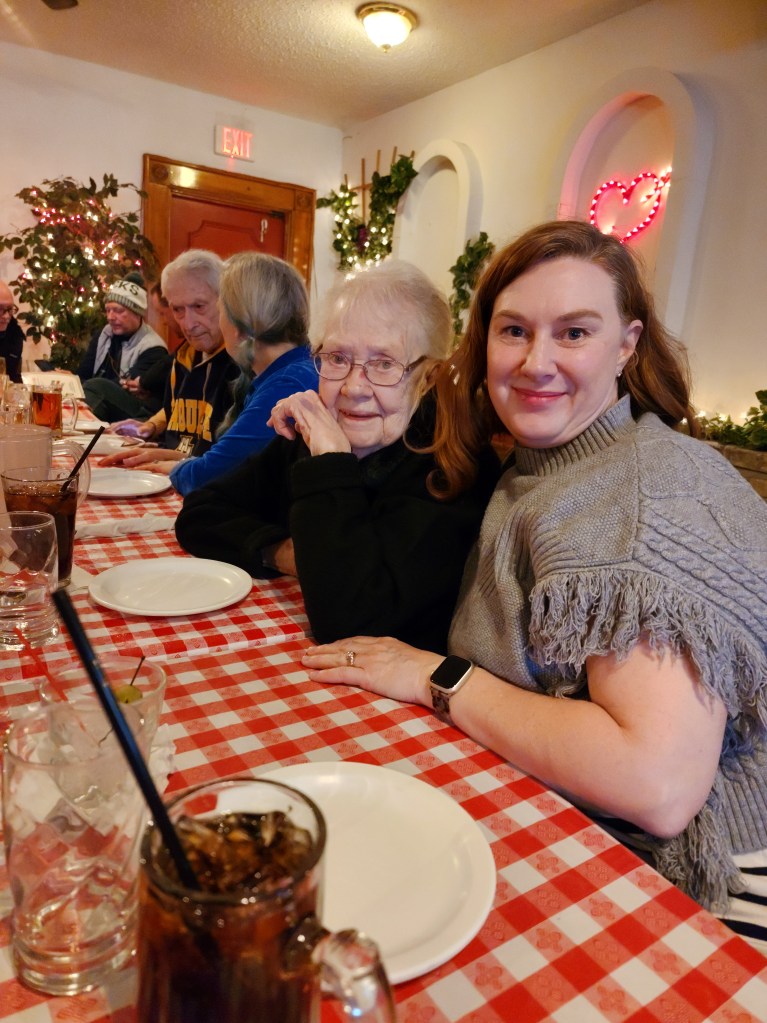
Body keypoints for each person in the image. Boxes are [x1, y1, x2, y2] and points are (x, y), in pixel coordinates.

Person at [299, 221, 767, 947]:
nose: (534, 361)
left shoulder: (644, 491)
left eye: (573, 332)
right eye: (513, 329)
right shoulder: (543, 468)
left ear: (627, 343)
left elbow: (657, 783)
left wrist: (438, 674)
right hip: (560, 822)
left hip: (707, 887)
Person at [175, 260, 500, 652]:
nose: (353, 387)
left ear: (427, 378)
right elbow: (199, 514)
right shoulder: (309, 437)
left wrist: (329, 463)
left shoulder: (452, 468)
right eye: (337, 358)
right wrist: (290, 555)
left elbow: (351, 621)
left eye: (384, 364)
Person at [136, 252, 318, 495]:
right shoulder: (290, 370)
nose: (188, 325)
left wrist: (179, 467)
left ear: (242, 325)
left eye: (219, 310)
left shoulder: (287, 382)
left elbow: (209, 476)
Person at [105, 250, 238, 463]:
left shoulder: (241, 366)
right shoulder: (183, 358)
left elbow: (228, 462)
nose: (188, 323)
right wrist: (152, 428)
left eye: (199, 306)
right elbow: (177, 418)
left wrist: (165, 456)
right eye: (178, 310)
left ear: (226, 301)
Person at [77, 272, 169, 421]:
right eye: (108, 310)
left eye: (118, 311)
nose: (110, 317)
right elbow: (83, 373)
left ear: (137, 313)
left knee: (97, 387)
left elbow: (125, 389)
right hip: (99, 401)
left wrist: (86, 386)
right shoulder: (104, 335)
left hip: (137, 412)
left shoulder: (153, 348)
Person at [0, 281, 24, 383]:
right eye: (0, 309)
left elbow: (13, 378)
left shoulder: (15, 335)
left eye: (9, 309)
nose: (6, 316)